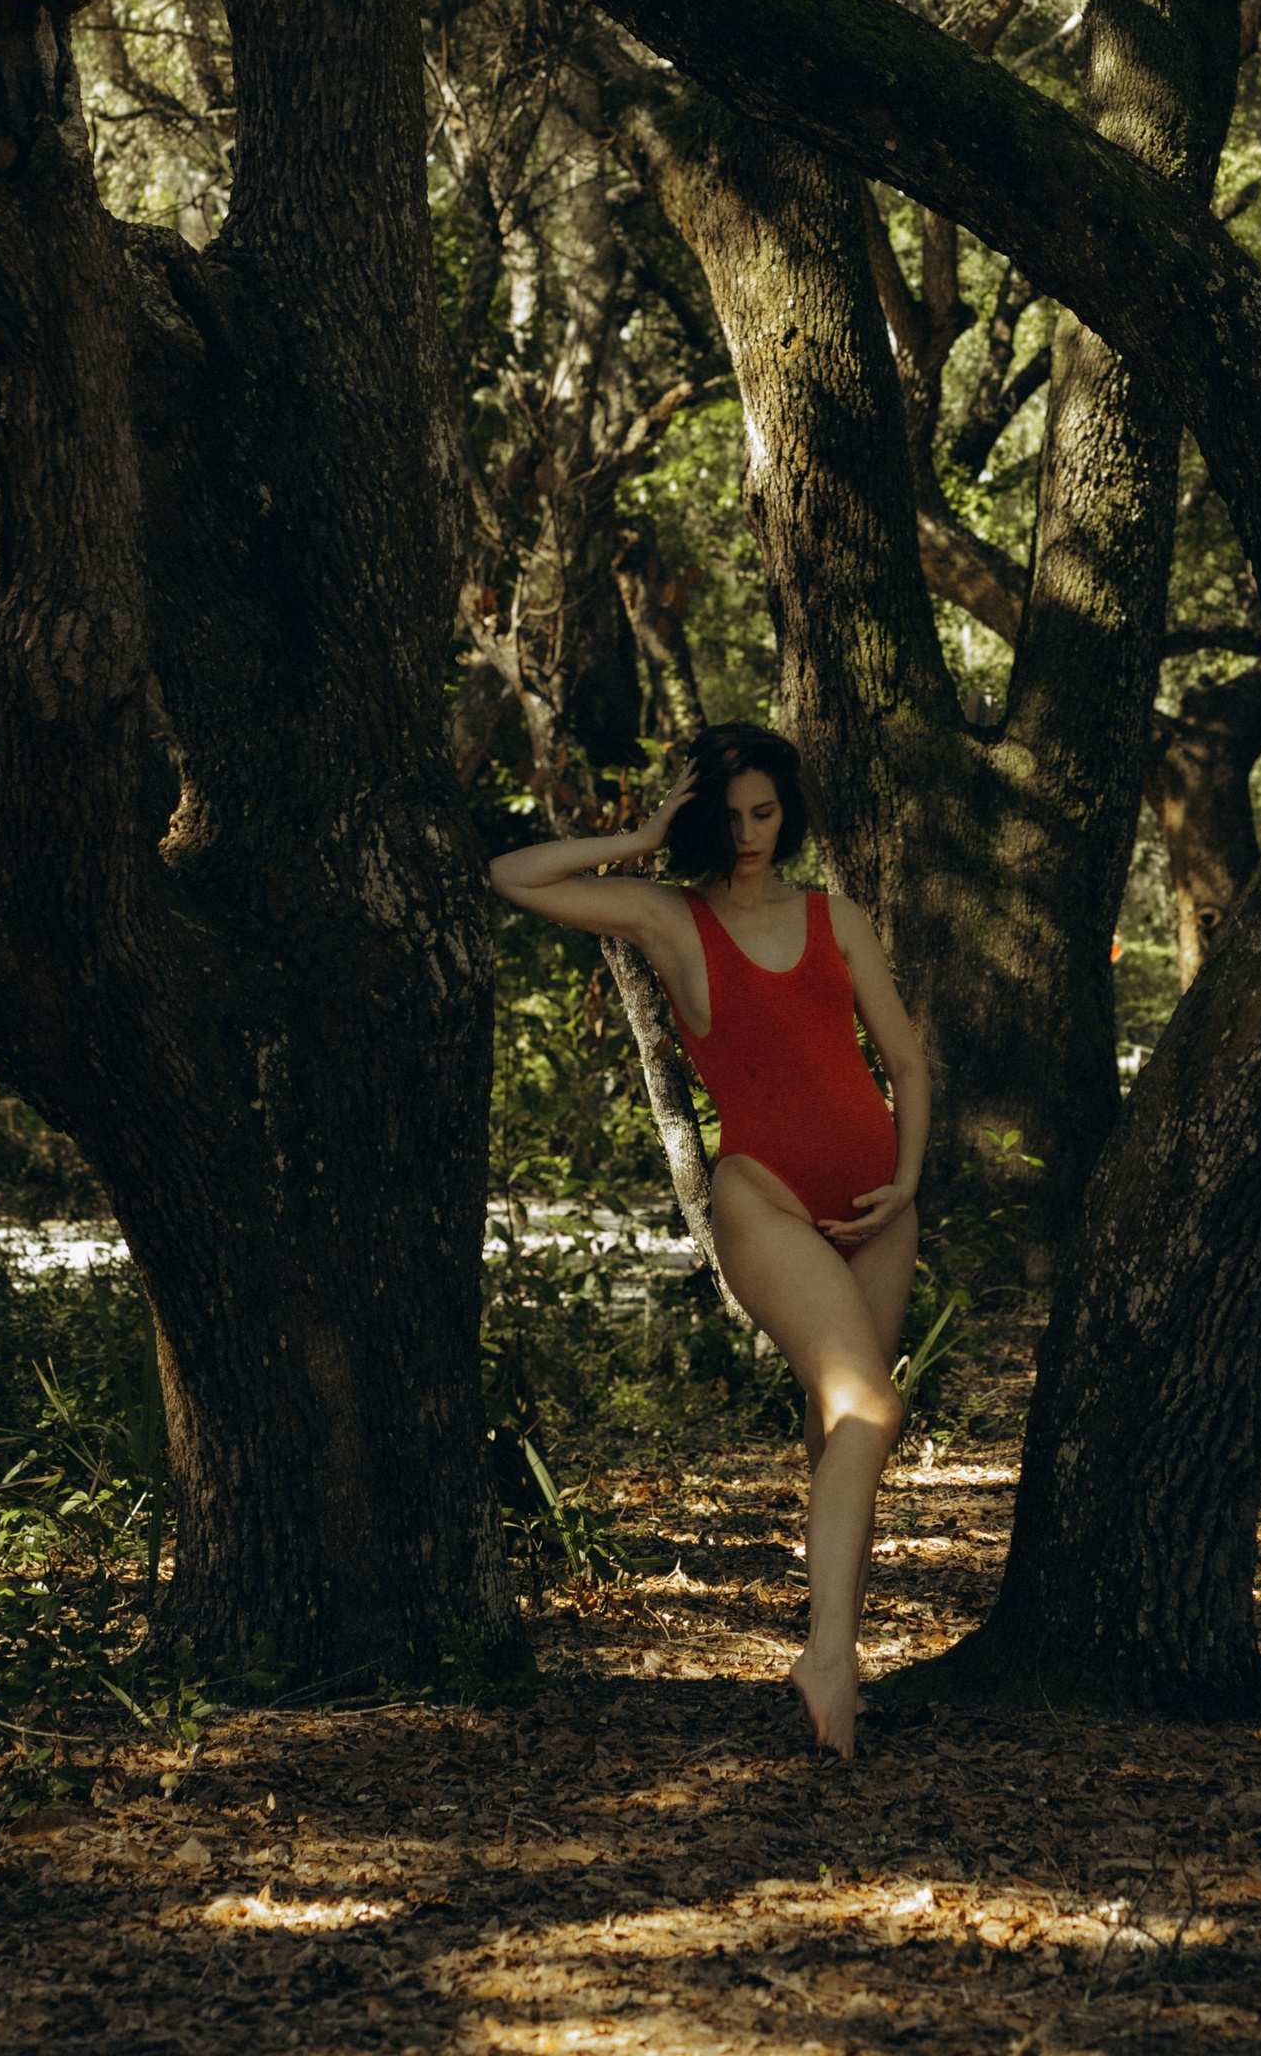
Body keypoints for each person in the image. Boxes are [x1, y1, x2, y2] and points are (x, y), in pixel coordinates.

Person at [489, 721, 931, 1757]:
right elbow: (512, 872)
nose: (746, 833)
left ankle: (834, 1671)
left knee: (841, 1439)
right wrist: (640, 832)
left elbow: (906, 1064)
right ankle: (828, 1658)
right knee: (871, 1403)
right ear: (699, 817)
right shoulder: (670, 918)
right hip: (765, 1196)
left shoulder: (836, 914)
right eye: (725, 815)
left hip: (877, 1205)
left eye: (763, 811)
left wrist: (904, 1184)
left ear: (789, 811)